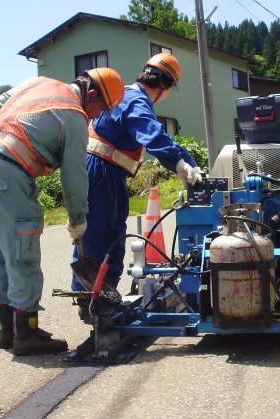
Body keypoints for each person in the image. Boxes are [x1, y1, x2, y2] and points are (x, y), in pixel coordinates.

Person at [0, 69, 125, 355]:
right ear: (92, 94)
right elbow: (74, 177)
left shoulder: (39, 84)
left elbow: (1, 102)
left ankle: (7, 331)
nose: (98, 117)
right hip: (5, 175)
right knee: (21, 253)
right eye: (102, 109)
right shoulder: (74, 117)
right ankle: (26, 334)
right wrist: (78, 219)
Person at [70, 53, 203, 317]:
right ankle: (91, 299)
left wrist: (189, 161)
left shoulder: (132, 97)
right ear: (165, 85)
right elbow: (152, 135)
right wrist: (179, 164)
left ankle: (104, 297)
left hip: (110, 172)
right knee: (99, 235)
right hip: (101, 170)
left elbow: (159, 134)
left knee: (114, 236)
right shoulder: (135, 99)